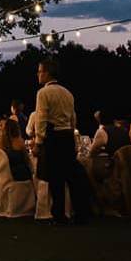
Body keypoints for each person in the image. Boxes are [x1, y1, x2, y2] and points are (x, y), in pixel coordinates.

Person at [34, 58, 90, 224]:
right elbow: (73, 118)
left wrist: (38, 142)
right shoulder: (68, 93)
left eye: (40, 71)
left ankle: (59, 215)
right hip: (67, 136)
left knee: (55, 178)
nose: (38, 74)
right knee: (71, 177)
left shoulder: (43, 93)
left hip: (53, 138)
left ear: (47, 73)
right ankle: (80, 213)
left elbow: (41, 118)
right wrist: (73, 136)